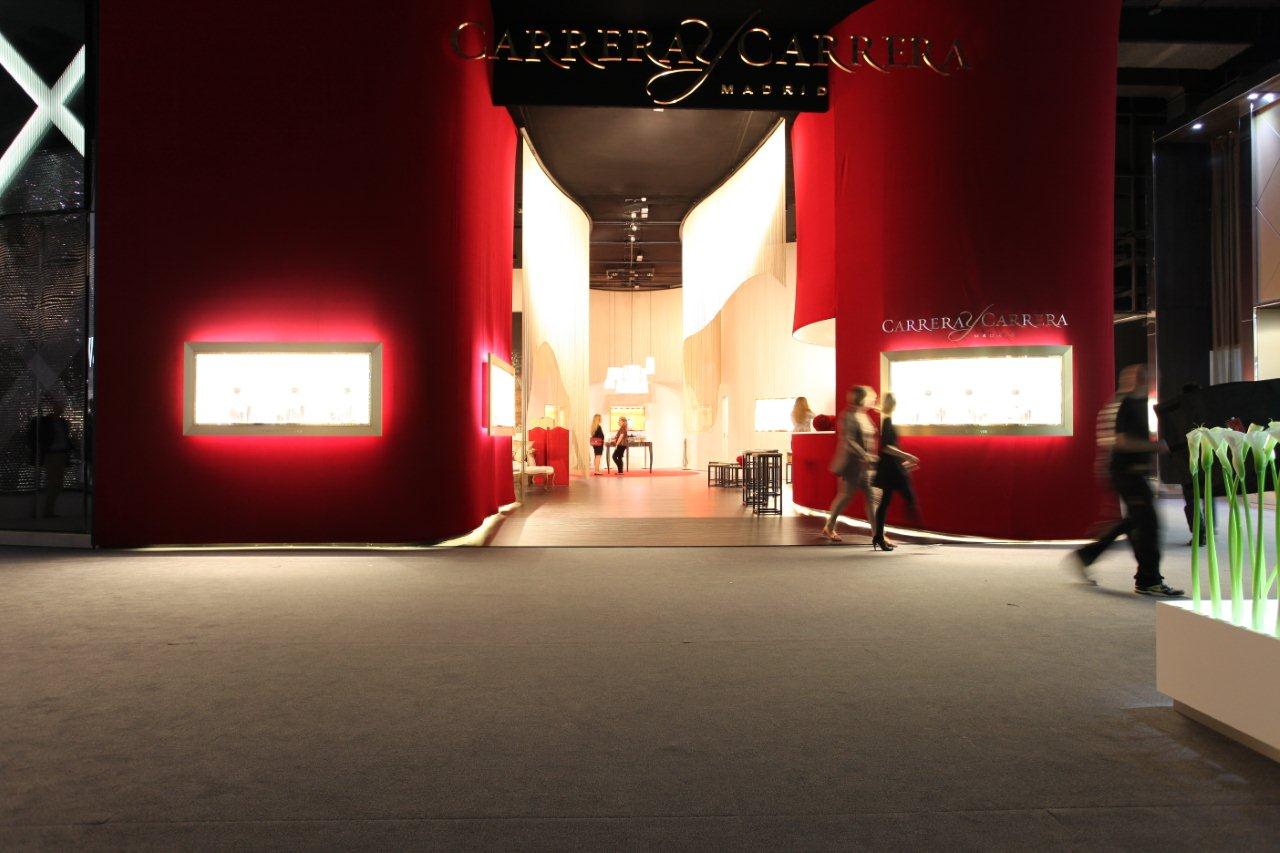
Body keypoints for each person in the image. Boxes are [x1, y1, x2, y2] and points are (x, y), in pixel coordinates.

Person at [1073, 364, 1183, 596]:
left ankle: (1088, 555)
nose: (1150, 379)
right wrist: (1157, 447)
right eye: (1146, 376)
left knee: (1135, 523)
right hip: (1127, 473)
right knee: (1148, 526)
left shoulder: (1130, 403)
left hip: (1129, 473)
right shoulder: (1125, 404)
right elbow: (1121, 442)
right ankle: (1148, 580)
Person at [822, 386, 879, 545]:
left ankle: (878, 534)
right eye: (871, 397)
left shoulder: (864, 415)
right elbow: (849, 440)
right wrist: (865, 455)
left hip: (866, 467)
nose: (873, 400)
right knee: (845, 497)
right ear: (861, 398)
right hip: (852, 466)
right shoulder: (847, 415)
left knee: (871, 499)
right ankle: (829, 526)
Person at [871, 393, 920, 551]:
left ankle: (879, 537)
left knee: (886, 503)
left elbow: (887, 448)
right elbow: (887, 447)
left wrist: (903, 461)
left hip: (890, 468)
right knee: (906, 498)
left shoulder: (886, 420)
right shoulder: (887, 421)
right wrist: (907, 456)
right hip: (891, 469)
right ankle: (918, 532)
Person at [28, 397, 74, 518]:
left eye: (62, 407)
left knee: (58, 483)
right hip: (51, 455)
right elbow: (39, 437)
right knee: (53, 482)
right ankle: (46, 509)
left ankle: (49, 508)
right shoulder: (46, 422)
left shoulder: (63, 422)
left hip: (61, 454)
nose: (61, 409)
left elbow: (66, 437)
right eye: (59, 406)